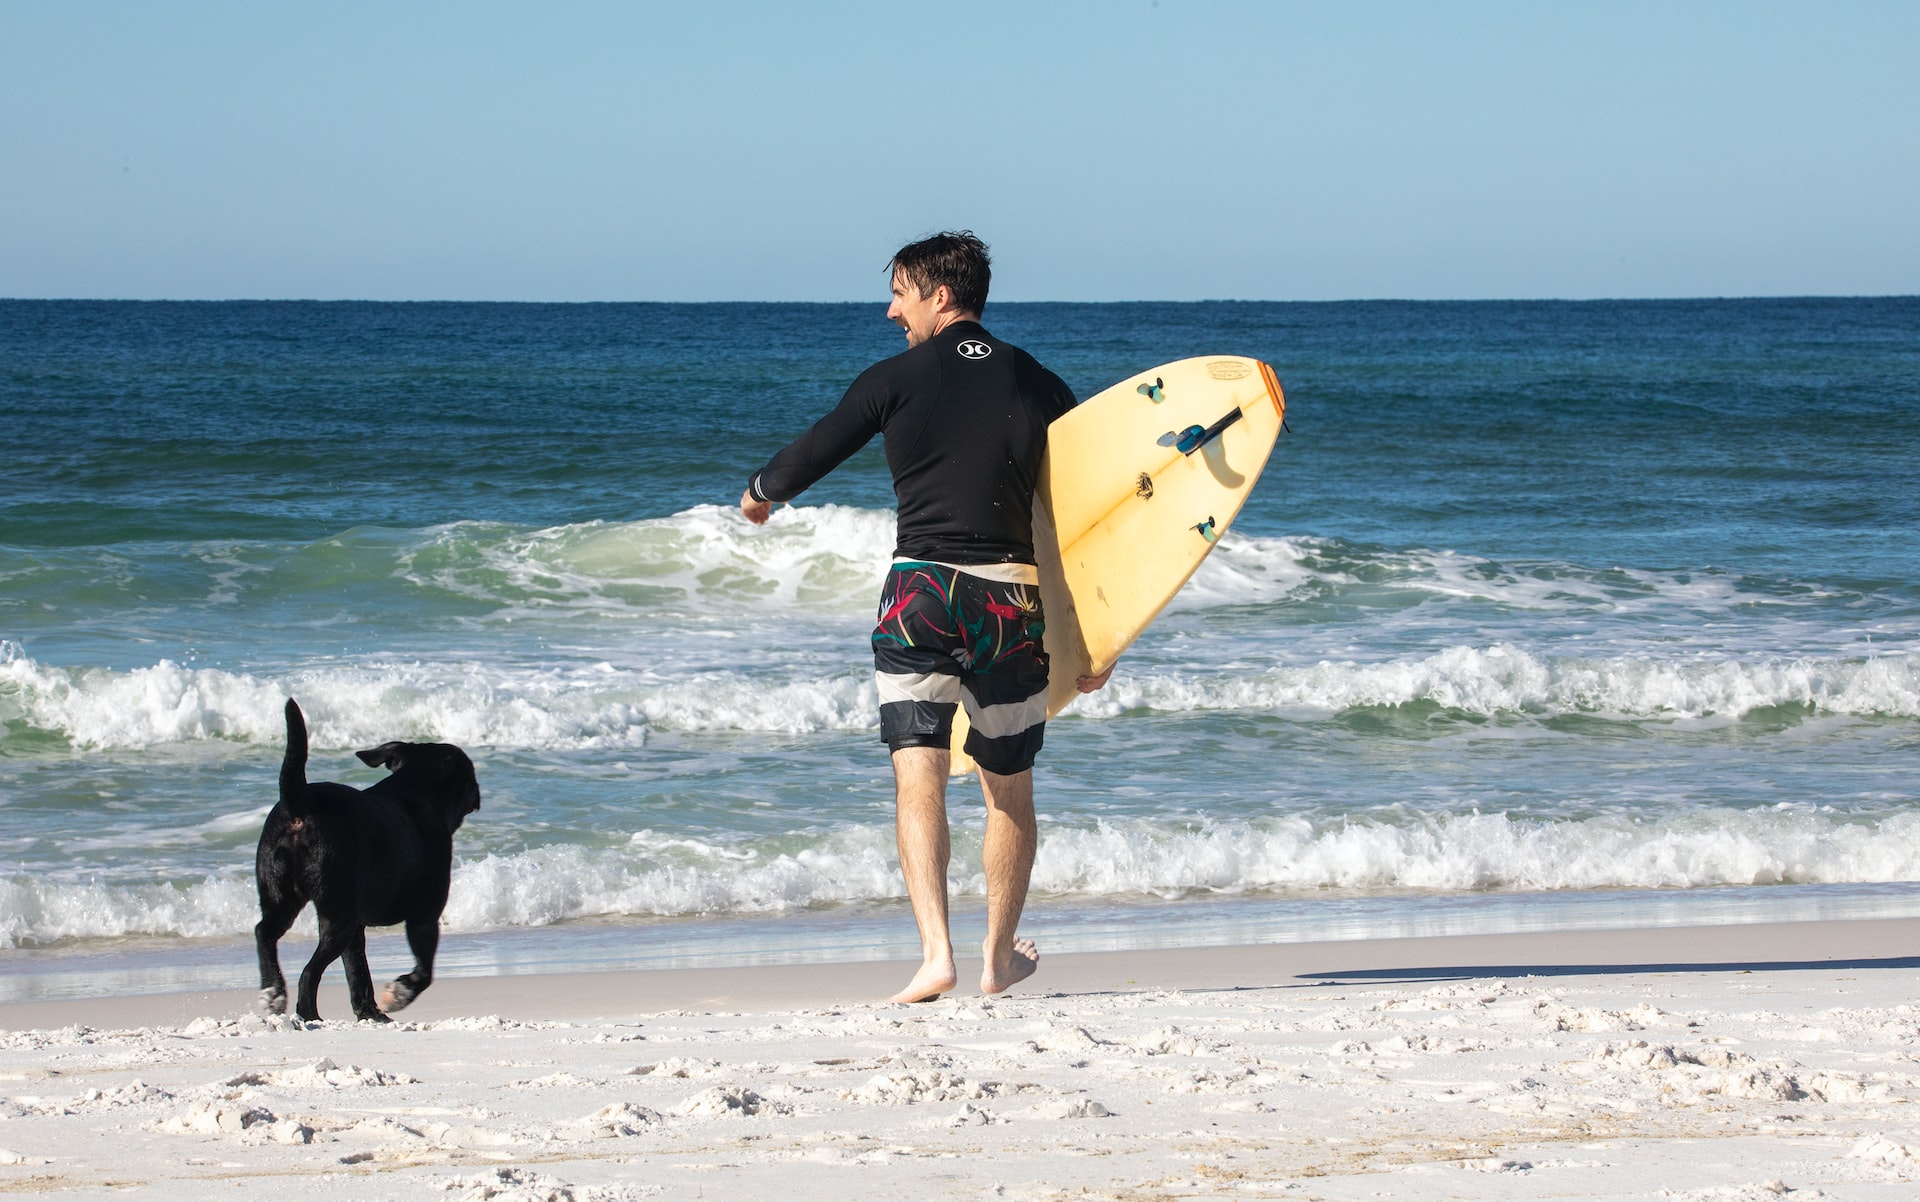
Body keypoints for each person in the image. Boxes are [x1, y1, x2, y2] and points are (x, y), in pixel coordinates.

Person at [740, 231, 1110, 1002]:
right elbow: (1083, 513)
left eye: (900, 293)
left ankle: (936, 953)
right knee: (1009, 788)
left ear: (940, 296)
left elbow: (815, 449)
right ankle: (998, 959)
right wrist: (1098, 635)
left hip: (920, 596)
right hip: (1009, 600)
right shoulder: (1037, 382)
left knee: (920, 779)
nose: (890, 309)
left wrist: (762, 492)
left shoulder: (895, 378)